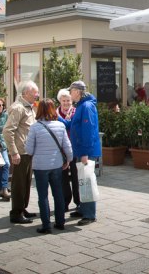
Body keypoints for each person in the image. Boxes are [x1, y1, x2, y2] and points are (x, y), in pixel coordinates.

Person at [26, 99, 73, 233]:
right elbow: (67, 146)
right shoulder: (60, 125)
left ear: (39, 110)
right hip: (56, 164)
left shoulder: (35, 127)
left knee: (43, 196)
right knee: (58, 193)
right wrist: (68, 160)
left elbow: (29, 150)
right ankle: (60, 222)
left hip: (40, 167)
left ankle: (46, 225)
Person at [62, 81, 102, 226]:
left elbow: (88, 130)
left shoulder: (86, 106)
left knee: (87, 182)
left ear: (77, 92)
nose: (69, 94)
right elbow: (71, 125)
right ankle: (83, 209)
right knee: (82, 181)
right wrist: (56, 116)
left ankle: (90, 214)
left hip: (85, 151)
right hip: (81, 150)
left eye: (71, 91)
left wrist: (84, 152)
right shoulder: (81, 106)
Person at [3, 81, 39, 224]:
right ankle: (16, 213)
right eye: (34, 93)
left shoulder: (28, 107)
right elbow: (7, 131)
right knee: (19, 184)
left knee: (26, 182)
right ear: (25, 93)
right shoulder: (18, 108)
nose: (37, 95)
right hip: (21, 152)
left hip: (28, 151)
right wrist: (14, 152)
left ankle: (22, 208)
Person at [56, 89, 80, 214]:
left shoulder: (76, 111)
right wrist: (67, 121)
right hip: (60, 149)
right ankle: (65, 202)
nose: (66, 103)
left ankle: (78, 202)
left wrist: (68, 122)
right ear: (60, 101)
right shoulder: (55, 113)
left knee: (76, 176)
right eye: (63, 100)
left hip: (74, 148)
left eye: (68, 100)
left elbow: (73, 127)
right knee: (63, 177)